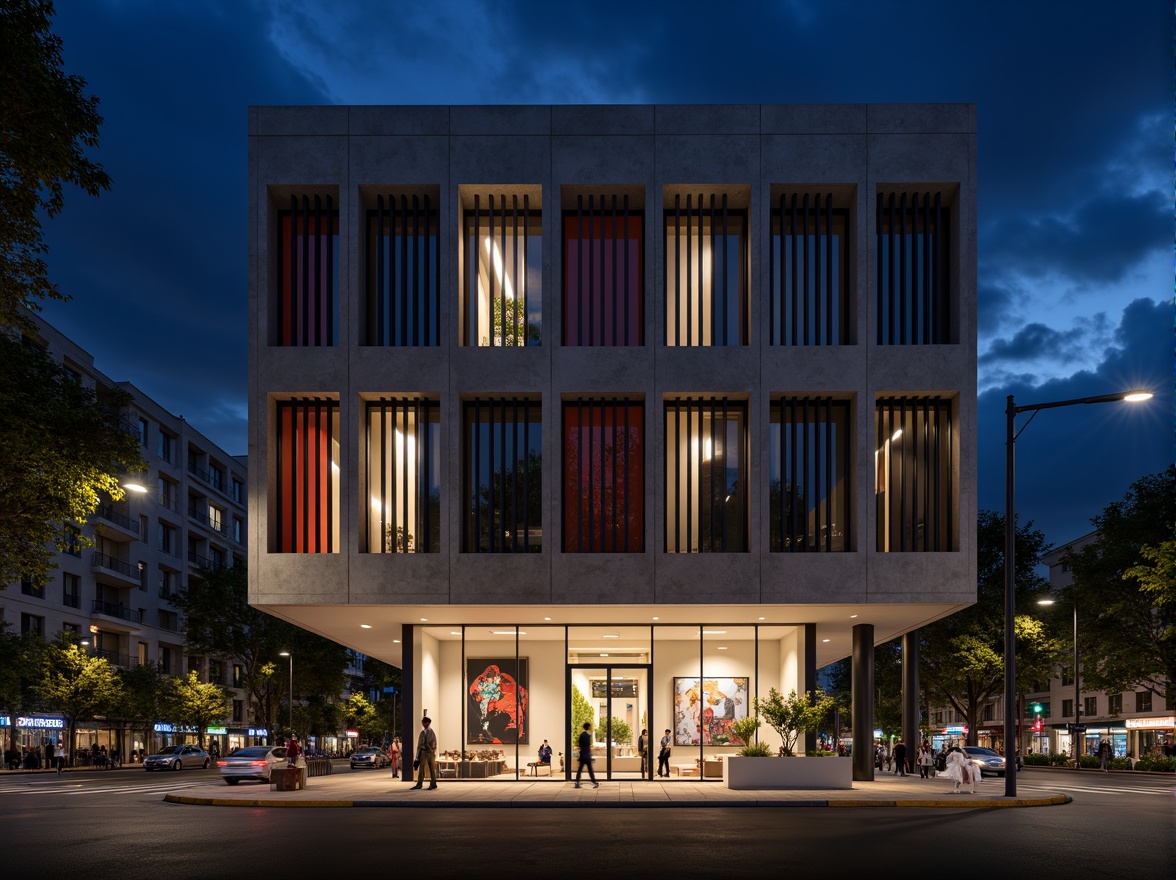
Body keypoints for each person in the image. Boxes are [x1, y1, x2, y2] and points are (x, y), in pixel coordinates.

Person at [411, 716, 438, 790]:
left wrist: (431, 750)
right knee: (421, 768)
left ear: (427, 723)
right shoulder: (423, 732)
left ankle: (433, 783)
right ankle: (420, 783)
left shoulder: (430, 732)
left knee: (431, 768)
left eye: (423, 721)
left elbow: (433, 743)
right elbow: (420, 745)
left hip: (429, 752)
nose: (422, 723)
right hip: (423, 752)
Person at [574, 722, 598, 788]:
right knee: (589, 769)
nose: (591, 727)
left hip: (583, 755)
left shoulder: (582, 735)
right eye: (590, 726)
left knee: (580, 769)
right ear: (588, 727)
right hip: (586, 755)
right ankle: (594, 781)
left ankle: (577, 781)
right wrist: (589, 751)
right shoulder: (586, 735)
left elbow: (581, 746)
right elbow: (586, 746)